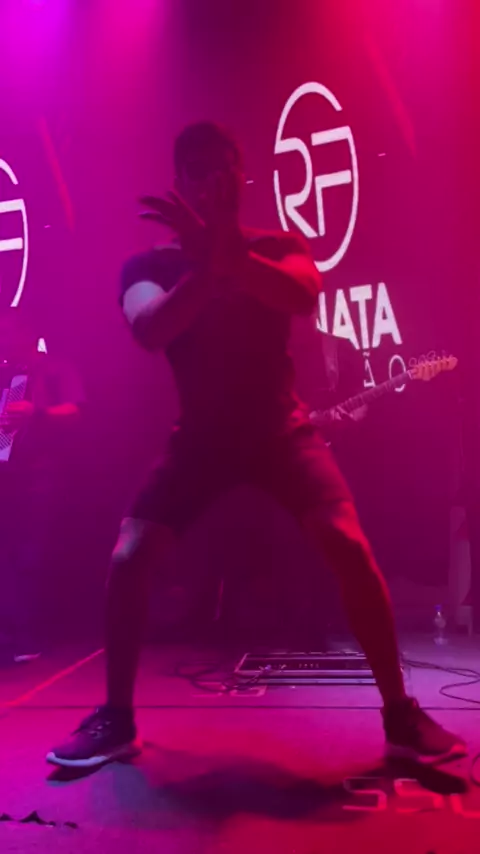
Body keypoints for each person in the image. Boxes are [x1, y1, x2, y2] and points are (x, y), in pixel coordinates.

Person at [48, 121, 465, 767]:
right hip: (201, 437)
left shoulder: (279, 245)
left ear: (243, 177)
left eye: (226, 166)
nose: (215, 180)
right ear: (180, 182)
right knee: (129, 558)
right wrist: (206, 267)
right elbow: (150, 328)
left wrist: (229, 256)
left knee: (349, 546)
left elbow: (301, 294)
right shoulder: (150, 265)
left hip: (279, 430)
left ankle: (400, 715)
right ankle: (117, 719)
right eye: (199, 169)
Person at [0, 309, 84, 660]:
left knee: (30, 555)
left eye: (8, 331)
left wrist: (37, 412)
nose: (3, 338)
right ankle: (8, 637)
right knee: (7, 556)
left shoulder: (55, 368)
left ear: (27, 332)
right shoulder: (5, 373)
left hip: (39, 473)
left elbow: (76, 410)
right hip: (6, 474)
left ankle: (28, 637)